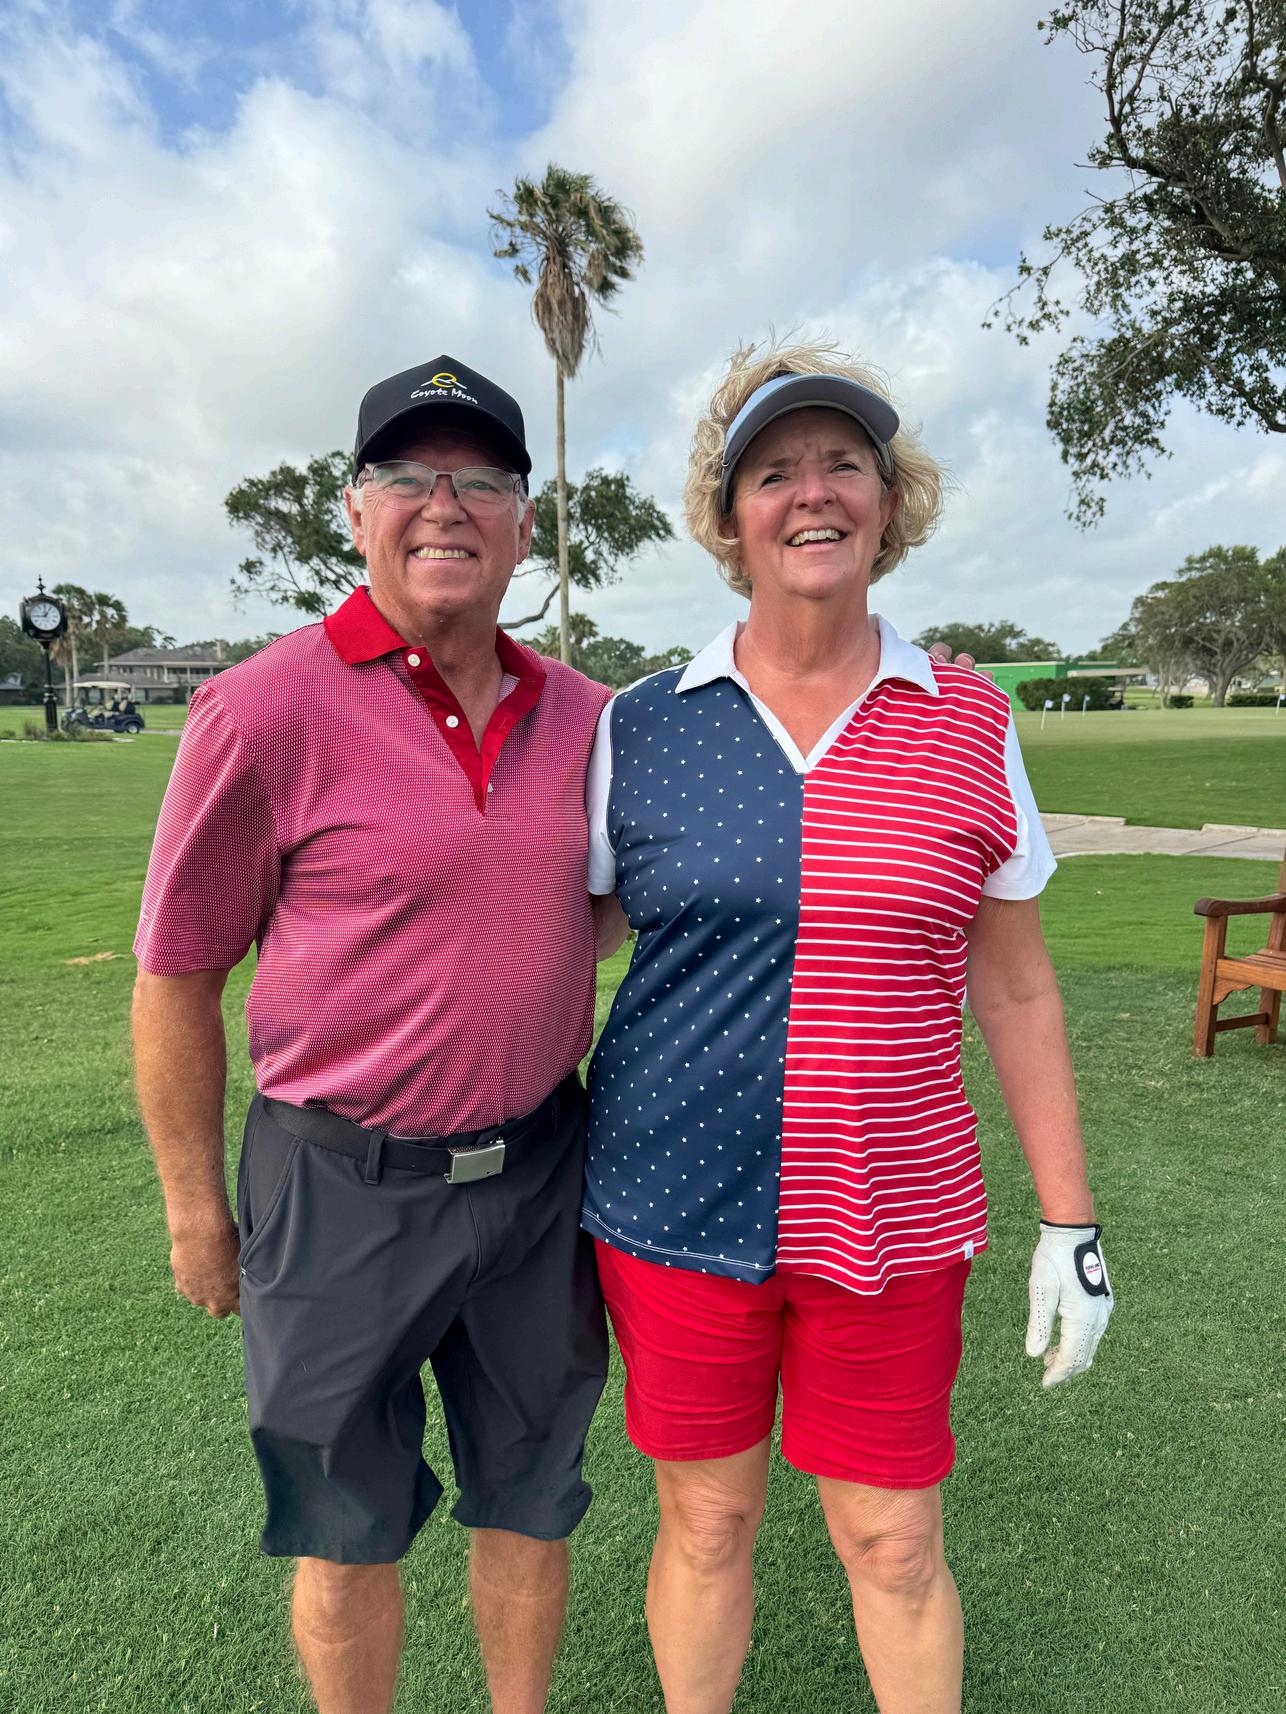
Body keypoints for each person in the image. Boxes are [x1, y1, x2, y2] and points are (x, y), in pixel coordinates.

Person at [583, 341, 1113, 1714]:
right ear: (729, 517)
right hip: (674, 1203)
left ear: (889, 500)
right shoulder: (642, 724)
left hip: (892, 1206)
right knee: (707, 1521)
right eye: (773, 471)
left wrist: (1069, 1218)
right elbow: (564, 949)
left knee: (893, 1539)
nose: (810, 492)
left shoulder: (969, 717)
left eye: (841, 465)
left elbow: (1015, 986)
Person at [132, 356, 616, 1714]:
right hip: (337, 1183)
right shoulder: (261, 707)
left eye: (481, 481)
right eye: (407, 474)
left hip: (540, 1173)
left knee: (531, 1496)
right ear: (354, 509)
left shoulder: (587, 718)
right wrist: (194, 1211)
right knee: (344, 1529)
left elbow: (604, 909)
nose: (443, 503)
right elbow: (177, 975)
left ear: (525, 522)